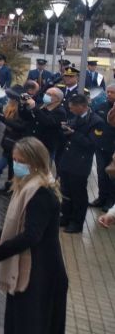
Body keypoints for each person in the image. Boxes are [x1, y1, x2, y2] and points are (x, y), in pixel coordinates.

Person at [0, 137, 68, 334]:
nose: (16, 164)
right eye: (15, 159)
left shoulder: (41, 191)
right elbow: (16, 222)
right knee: (19, 331)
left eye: (21, 160)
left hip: (40, 275)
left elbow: (31, 235)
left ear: (36, 162)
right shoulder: (25, 185)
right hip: (28, 273)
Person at [56, 94, 104, 233]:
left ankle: (76, 223)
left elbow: (92, 144)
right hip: (67, 160)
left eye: (72, 108)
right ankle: (66, 216)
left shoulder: (96, 122)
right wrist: (65, 128)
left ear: (82, 107)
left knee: (78, 195)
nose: (70, 110)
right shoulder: (76, 117)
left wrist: (73, 133)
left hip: (80, 164)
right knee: (65, 191)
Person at [0, 89, 31, 192]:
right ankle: (8, 182)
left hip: (10, 139)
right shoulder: (15, 109)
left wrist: (3, 119)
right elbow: (18, 125)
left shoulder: (14, 108)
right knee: (10, 161)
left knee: (8, 160)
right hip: (12, 139)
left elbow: (18, 125)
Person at [19, 86, 67, 161]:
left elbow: (47, 122)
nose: (46, 95)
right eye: (46, 93)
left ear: (57, 98)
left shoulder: (60, 112)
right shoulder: (41, 105)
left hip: (44, 147)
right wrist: (22, 105)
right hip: (30, 143)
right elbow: (26, 117)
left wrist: (34, 108)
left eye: (49, 94)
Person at [91, 83, 115, 211]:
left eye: (112, 92)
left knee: (112, 175)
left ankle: (111, 201)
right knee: (101, 173)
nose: (109, 94)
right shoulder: (101, 106)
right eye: (108, 92)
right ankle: (101, 198)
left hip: (113, 149)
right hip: (101, 146)